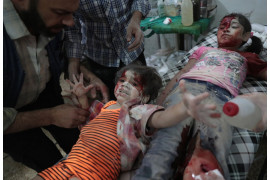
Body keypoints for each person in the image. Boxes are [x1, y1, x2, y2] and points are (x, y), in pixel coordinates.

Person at [133, 13, 267, 180]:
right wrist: (161, 101)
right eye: (222, 27)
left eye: (233, 27)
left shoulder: (248, 58)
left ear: (246, 36)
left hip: (221, 97)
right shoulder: (204, 50)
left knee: (214, 148)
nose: (225, 30)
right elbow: (182, 72)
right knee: (168, 140)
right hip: (187, 89)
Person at [33, 64, 218, 180]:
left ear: (144, 98)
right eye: (122, 80)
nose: (125, 85)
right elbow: (87, 121)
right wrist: (82, 98)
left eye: (134, 83)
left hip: (95, 169)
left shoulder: (136, 110)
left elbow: (161, 118)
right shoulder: (107, 106)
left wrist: (184, 109)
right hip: (69, 162)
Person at [3, 0, 89, 173]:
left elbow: (73, 27)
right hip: (9, 119)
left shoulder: (46, 15)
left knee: (81, 148)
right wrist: (50, 116)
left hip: (45, 93)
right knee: (52, 164)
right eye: (59, 12)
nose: (70, 21)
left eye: (71, 12)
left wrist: (74, 65)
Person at [64, 0, 151, 102]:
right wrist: (73, 67)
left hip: (132, 50)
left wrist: (136, 19)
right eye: (122, 81)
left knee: (140, 102)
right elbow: (72, 28)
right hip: (100, 58)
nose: (124, 85)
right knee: (108, 104)